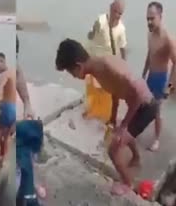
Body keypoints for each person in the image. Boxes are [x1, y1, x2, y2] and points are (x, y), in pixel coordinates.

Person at [55, 38, 158, 195]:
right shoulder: (97, 68)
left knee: (113, 150)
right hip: (138, 107)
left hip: (145, 107)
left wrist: (123, 125)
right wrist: (113, 117)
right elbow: (115, 91)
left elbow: (137, 94)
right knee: (121, 133)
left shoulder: (106, 66)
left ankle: (127, 184)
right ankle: (136, 158)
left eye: (71, 72)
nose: (73, 77)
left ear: (78, 66)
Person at [84, 0, 127, 123]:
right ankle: (91, 110)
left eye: (120, 13)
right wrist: (94, 29)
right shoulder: (100, 20)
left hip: (107, 63)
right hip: (94, 59)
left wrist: (124, 66)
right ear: (111, 8)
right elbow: (90, 36)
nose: (117, 15)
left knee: (106, 90)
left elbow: (123, 48)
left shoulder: (121, 29)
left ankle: (104, 113)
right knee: (91, 87)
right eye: (116, 11)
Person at [142, 2, 176, 151]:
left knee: (157, 112)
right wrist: (143, 75)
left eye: (152, 18)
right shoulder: (150, 34)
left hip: (161, 78)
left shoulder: (168, 38)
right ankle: (138, 128)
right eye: (147, 18)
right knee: (143, 103)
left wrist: (169, 87)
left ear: (160, 17)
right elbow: (149, 55)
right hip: (150, 75)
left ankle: (156, 139)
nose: (149, 22)